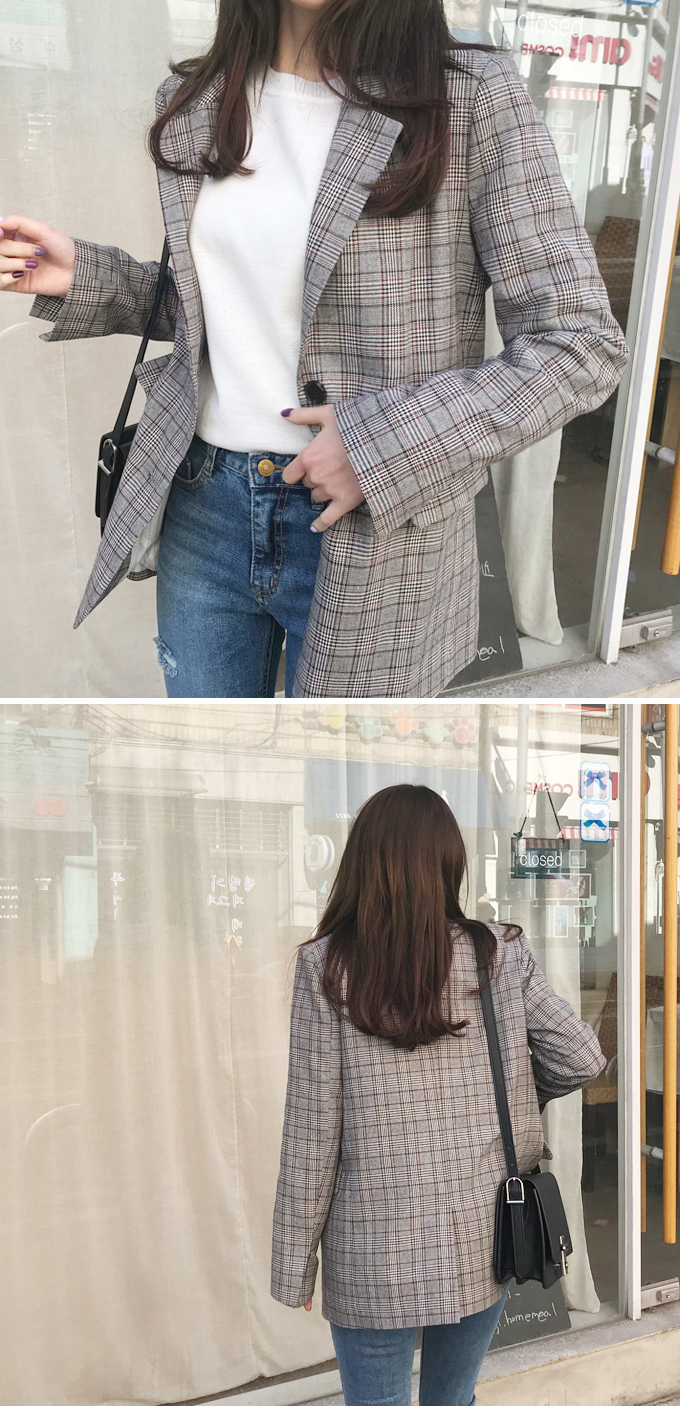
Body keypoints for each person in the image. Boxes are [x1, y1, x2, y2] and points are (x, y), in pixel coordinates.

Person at [1, 0, 629, 699]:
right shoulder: (201, 97)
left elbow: (580, 343)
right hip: (203, 505)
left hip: (374, 531)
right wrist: (90, 277)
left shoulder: (466, 96)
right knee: (216, 753)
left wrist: (379, 447)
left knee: (338, 758)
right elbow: (232, 311)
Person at [271, 785, 605, 1406]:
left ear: (362, 863)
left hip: (370, 1248)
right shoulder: (497, 953)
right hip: (481, 1233)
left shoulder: (327, 966)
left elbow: (311, 1135)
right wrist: (507, 1096)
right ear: (450, 864)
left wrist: (295, 1266)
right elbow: (581, 1056)